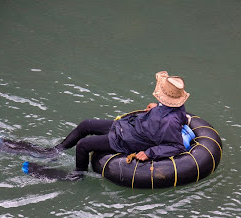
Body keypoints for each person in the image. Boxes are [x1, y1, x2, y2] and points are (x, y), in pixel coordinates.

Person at [23, 71, 190, 180]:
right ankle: (54, 152)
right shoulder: (170, 107)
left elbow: (176, 146)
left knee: (83, 145)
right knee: (86, 124)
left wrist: (148, 153)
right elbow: (179, 117)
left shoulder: (170, 121)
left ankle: (77, 176)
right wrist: (155, 109)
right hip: (130, 127)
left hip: (131, 140)